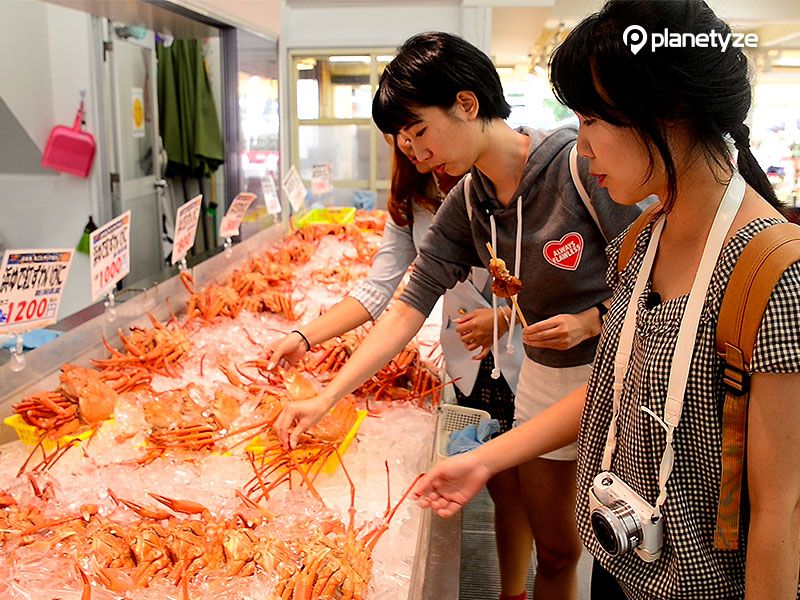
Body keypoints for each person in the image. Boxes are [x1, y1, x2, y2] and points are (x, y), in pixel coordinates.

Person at [412, 2, 800, 599]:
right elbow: (614, 388)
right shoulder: (641, 240)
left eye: (592, 120)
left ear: (667, 113)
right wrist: (486, 459)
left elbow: (780, 512)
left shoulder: (773, 272)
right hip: (623, 566)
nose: (583, 145)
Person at [274, 32, 640, 600]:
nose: (415, 154)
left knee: (625, 557)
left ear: (467, 104)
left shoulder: (579, 166)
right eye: (404, 142)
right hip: (543, 377)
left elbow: (654, 279)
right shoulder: (468, 201)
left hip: (621, 375)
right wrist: (326, 397)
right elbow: (406, 304)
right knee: (557, 551)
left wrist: (592, 319)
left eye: (419, 131)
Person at [266, 135, 522, 429]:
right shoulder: (411, 200)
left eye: (418, 130)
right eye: (398, 135)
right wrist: (304, 337)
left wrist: (506, 317)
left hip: (526, 346)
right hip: (464, 352)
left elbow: (553, 280)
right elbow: (380, 291)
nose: (409, 144)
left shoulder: (500, 185)